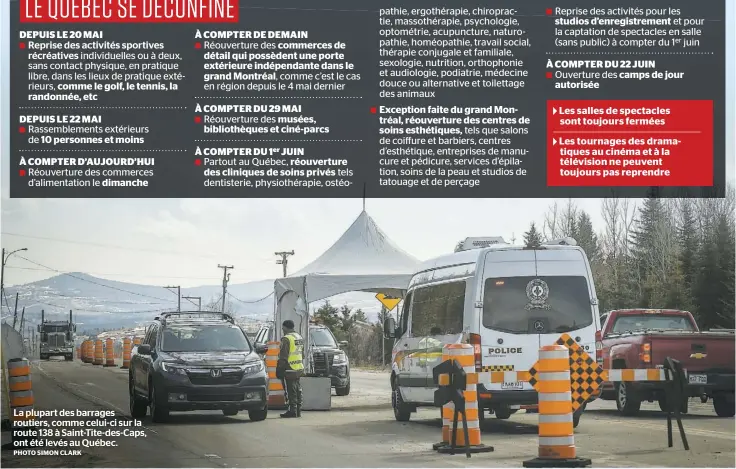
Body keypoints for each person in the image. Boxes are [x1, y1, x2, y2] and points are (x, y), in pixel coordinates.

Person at [277, 320, 304, 418]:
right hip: (299, 367)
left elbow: (283, 356)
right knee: (297, 389)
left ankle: (292, 411)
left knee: (290, 390)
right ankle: (298, 410)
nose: (282, 330)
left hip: (289, 368)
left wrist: (279, 368)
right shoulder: (299, 337)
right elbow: (302, 354)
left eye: (283, 328)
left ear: (285, 327)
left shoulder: (286, 339)